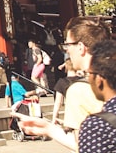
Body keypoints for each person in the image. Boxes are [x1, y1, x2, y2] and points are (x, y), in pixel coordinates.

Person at [17, 18, 110, 148]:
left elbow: (82, 146)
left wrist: (49, 129)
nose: (66, 50)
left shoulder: (78, 90)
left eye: (68, 45)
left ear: (81, 47)